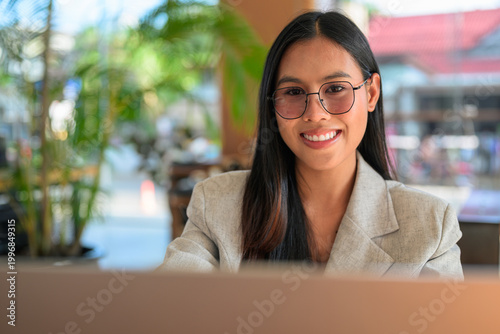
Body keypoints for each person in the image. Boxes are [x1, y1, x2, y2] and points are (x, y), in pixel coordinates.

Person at [159, 11, 463, 279]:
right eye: (293, 92)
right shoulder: (217, 205)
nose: (316, 114)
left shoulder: (429, 226)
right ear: (272, 105)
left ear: (371, 93)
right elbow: (172, 306)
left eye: (335, 89)